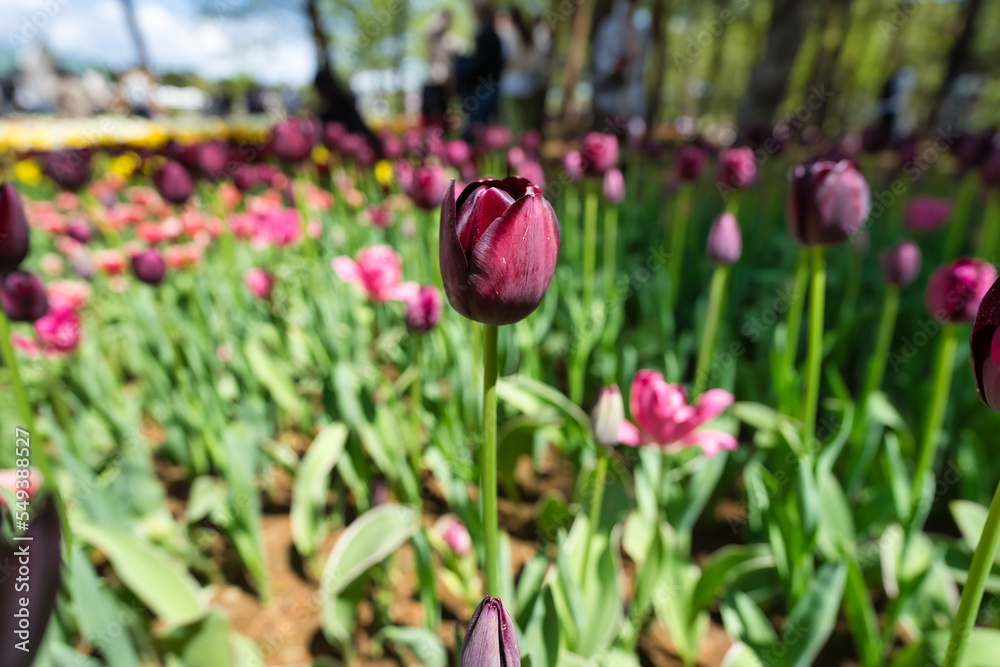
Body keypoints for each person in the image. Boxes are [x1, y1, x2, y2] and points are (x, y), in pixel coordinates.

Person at [456, 2, 504, 144]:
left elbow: (479, 63)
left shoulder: (487, 34)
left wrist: (462, 63)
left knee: (477, 128)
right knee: (480, 127)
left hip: (483, 88)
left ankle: (468, 153)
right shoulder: (491, 34)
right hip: (488, 86)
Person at [591, 0, 643, 131]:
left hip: (625, 95)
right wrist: (613, 66)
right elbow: (599, 55)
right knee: (603, 131)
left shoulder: (635, 29)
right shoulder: (607, 26)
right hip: (606, 88)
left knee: (621, 130)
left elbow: (638, 59)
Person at [496, 8, 544, 133]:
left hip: (511, 84)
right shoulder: (528, 33)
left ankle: (514, 149)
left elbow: (508, 56)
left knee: (511, 123)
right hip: (528, 84)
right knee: (525, 122)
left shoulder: (509, 32)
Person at [423, 10, 460, 131]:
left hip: (447, 84)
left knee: (446, 116)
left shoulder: (451, 40)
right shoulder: (432, 37)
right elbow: (426, 34)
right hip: (433, 82)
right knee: (431, 113)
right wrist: (436, 23)